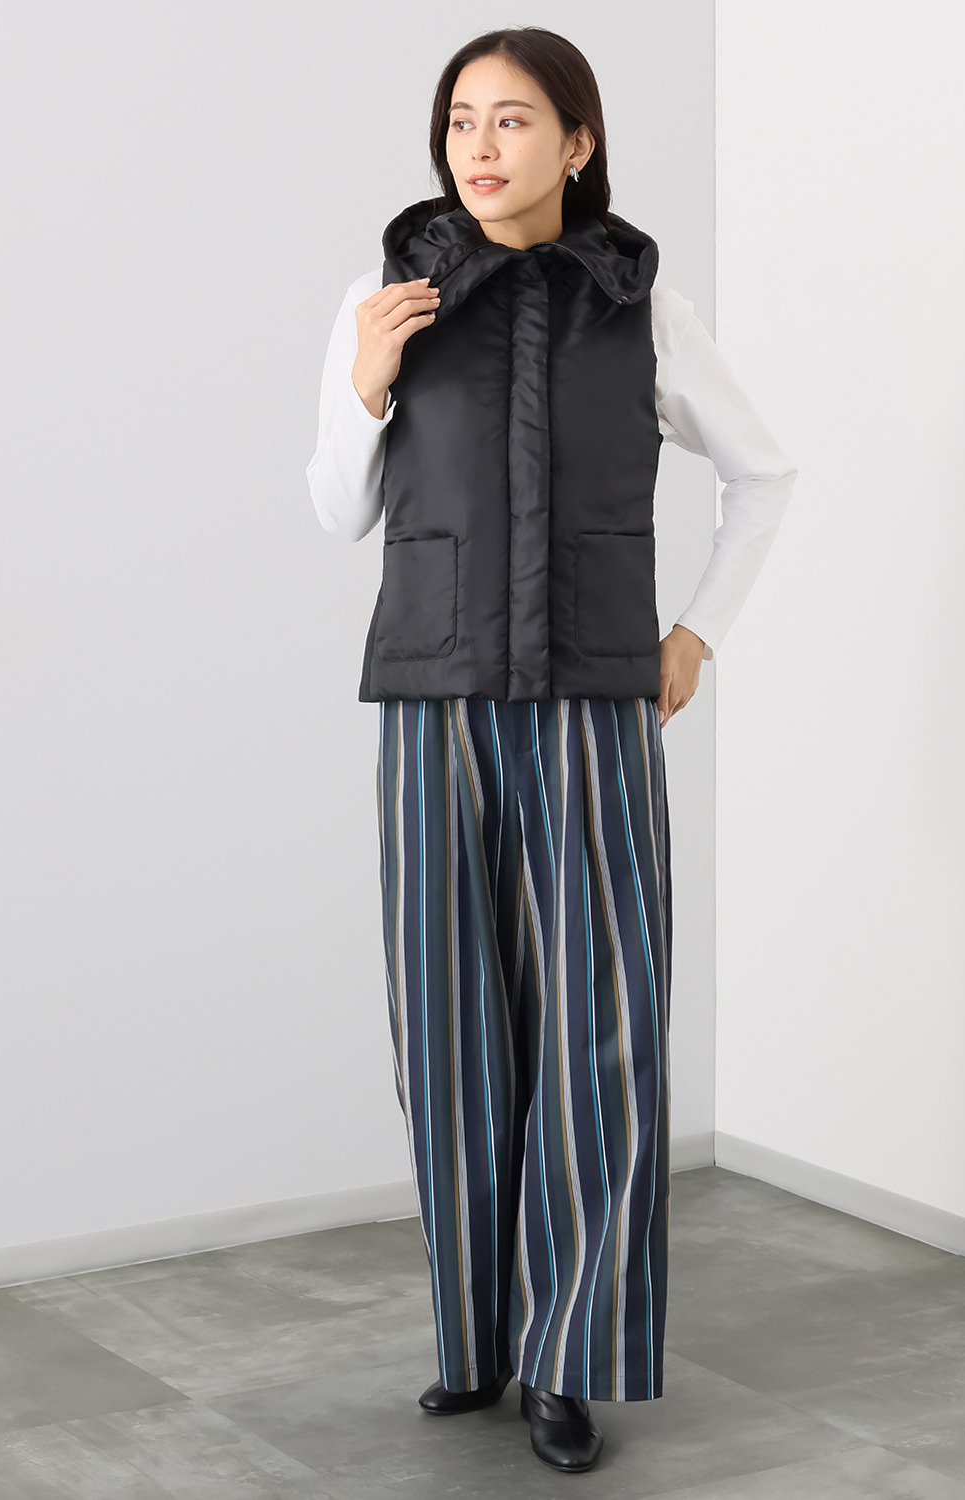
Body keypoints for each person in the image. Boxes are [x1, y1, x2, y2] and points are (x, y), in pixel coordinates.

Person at [305, 26, 796, 1476]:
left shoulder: (643, 311)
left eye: (514, 119)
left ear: (578, 144)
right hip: (434, 702)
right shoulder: (384, 302)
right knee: (449, 1030)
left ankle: (568, 1362)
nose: (481, 144)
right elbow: (338, 509)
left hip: (594, 706)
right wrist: (368, 381)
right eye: (463, 118)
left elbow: (766, 472)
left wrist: (696, 634)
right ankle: (476, 1341)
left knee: (598, 1033)